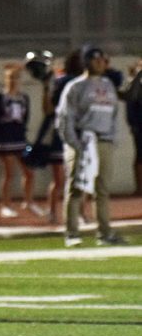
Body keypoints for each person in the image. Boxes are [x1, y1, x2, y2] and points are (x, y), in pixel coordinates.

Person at [56, 45, 125, 247]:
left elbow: (113, 115)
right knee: (76, 188)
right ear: (87, 62)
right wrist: (74, 143)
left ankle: (105, 233)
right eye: (97, 60)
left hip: (103, 141)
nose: (102, 63)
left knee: (102, 189)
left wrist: (112, 139)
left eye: (103, 60)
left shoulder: (108, 85)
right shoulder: (75, 86)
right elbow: (64, 118)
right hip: (83, 140)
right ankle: (72, 233)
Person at [0, 63, 44, 219]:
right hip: (5, 141)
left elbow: (25, 118)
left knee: (29, 172)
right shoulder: (1, 98)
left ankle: (28, 202)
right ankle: (6, 205)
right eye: (9, 78)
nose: (13, 81)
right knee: (9, 174)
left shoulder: (24, 98)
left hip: (20, 140)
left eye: (15, 78)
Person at [117, 57, 142, 196]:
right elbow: (129, 100)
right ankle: (140, 188)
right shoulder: (134, 83)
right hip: (139, 125)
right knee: (140, 156)